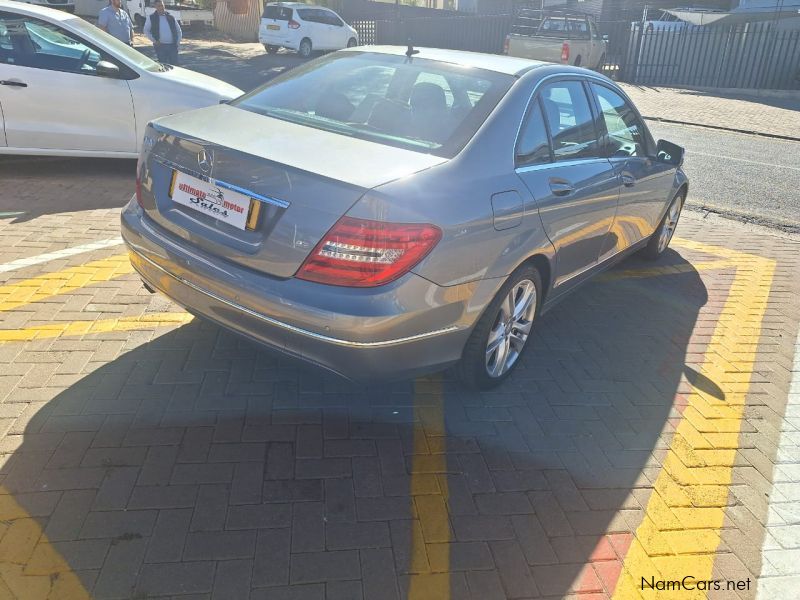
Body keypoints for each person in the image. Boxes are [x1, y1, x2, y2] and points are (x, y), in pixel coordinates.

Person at [144, 0, 183, 65]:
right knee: (163, 66)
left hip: (172, 46)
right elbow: (146, 30)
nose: (161, 7)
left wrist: (177, 42)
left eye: (162, 5)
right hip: (160, 46)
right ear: (155, 7)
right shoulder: (152, 17)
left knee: (175, 67)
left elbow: (179, 31)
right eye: (159, 6)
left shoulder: (171, 17)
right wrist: (154, 40)